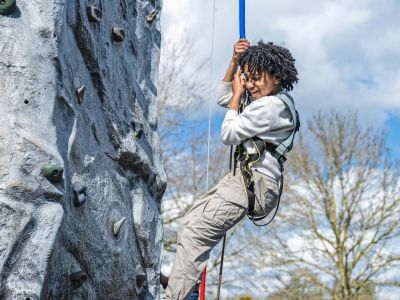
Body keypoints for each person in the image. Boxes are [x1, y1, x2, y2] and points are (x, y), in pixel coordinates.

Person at [164, 39, 299, 299]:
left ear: (277, 78)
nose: (250, 84)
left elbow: (229, 133)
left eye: (256, 78)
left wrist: (239, 94)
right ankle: (186, 285)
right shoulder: (263, 100)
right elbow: (225, 97)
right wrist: (234, 63)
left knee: (196, 233)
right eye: (247, 78)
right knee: (189, 225)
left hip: (254, 184)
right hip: (242, 179)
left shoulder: (272, 107)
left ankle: (178, 295)